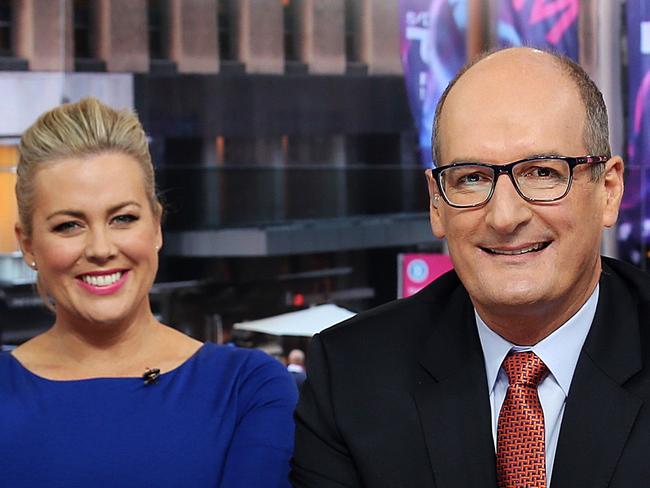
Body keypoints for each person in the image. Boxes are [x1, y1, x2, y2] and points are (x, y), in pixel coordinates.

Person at [291, 47, 650, 487]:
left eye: (542, 172)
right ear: (436, 203)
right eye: (471, 178)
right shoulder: (351, 375)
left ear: (609, 190)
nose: (504, 216)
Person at [1, 98, 297, 487]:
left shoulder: (248, 388)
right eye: (69, 225)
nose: (101, 248)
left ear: (156, 227)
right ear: (28, 245)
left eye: (123, 218)